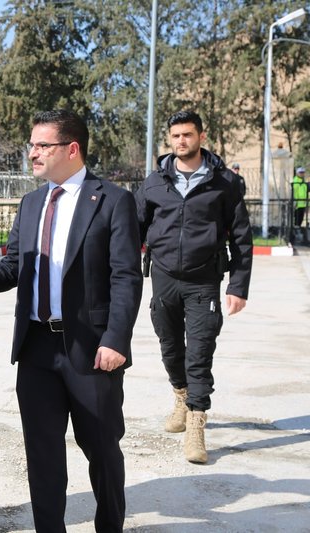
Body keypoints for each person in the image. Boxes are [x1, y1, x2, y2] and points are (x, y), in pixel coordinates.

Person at [0, 109, 143, 532]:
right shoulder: (31, 204)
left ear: (72, 149)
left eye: (43, 145)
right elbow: (12, 268)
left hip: (91, 351)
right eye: (32, 145)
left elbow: (126, 277)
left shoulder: (113, 201)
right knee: (43, 458)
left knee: (101, 451)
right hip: (36, 349)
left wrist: (116, 339)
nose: (32, 153)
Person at [136, 110, 252, 464]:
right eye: (175, 136)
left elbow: (242, 238)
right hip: (164, 277)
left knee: (200, 353)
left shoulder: (225, 183)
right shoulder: (154, 182)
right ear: (169, 139)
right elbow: (134, 231)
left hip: (204, 281)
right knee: (170, 348)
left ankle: (196, 424)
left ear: (202, 136)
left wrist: (238, 286)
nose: (181, 141)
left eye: (187, 134)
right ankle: (181, 397)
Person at [292, 167, 308, 243]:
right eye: (300, 172)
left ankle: (298, 235)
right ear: (297, 173)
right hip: (297, 205)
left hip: (303, 204)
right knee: (297, 221)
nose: (302, 174)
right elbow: (295, 193)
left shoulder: (303, 182)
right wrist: (295, 203)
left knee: (300, 220)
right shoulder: (296, 181)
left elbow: (305, 193)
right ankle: (295, 236)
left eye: (303, 172)